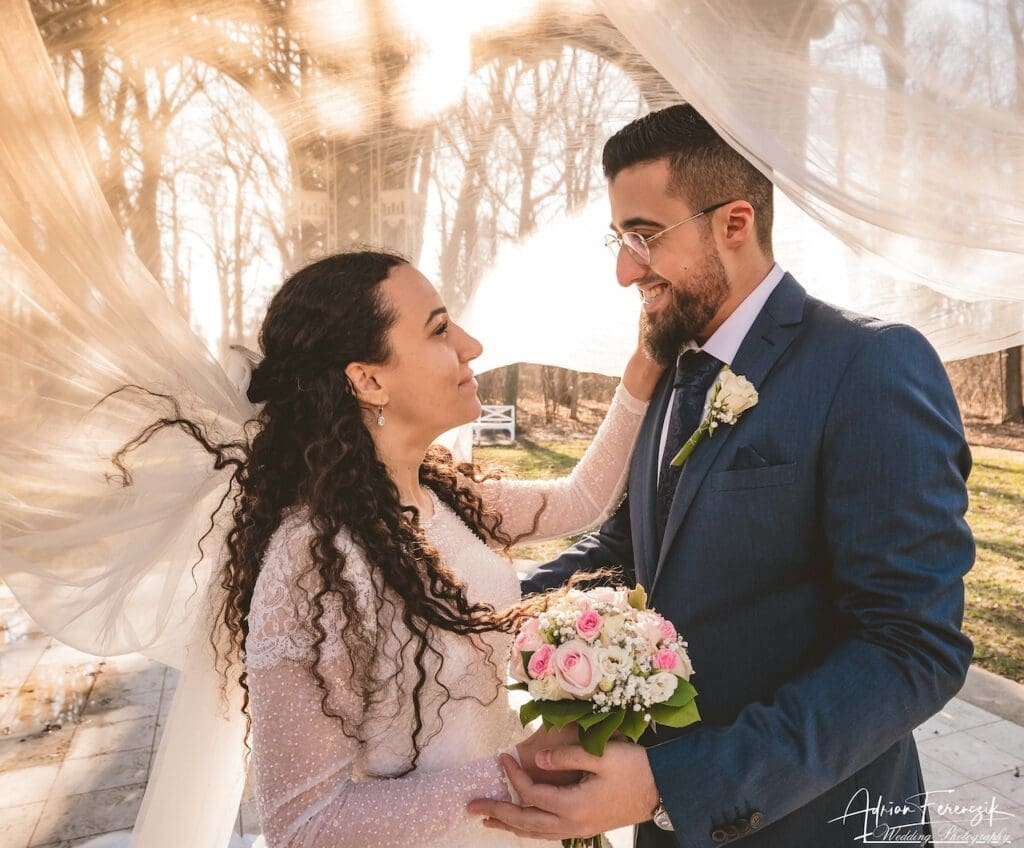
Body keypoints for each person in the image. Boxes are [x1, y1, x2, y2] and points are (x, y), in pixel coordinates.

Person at [469, 104, 975, 847]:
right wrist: (464, 607)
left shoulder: (870, 366)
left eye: (643, 236)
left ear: (735, 224)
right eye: (618, 240)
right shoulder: (672, 369)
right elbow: (627, 554)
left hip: (815, 822)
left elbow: (911, 648)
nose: (623, 270)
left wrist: (678, 783)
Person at [109, 249, 662, 848]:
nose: (471, 345)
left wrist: (644, 365)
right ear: (368, 379)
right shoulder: (311, 564)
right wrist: (514, 773)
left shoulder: (443, 497)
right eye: (440, 329)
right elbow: (303, 827)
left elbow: (581, 499)